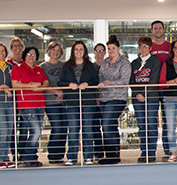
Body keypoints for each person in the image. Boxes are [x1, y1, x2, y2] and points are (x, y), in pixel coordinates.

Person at [59, 41, 101, 165]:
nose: (78, 51)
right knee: (73, 129)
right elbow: (60, 82)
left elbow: (96, 82)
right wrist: (69, 84)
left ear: (85, 51)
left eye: (81, 49)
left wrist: (87, 84)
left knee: (87, 129)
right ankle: (71, 157)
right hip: (71, 102)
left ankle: (88, 156)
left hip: (88, 101)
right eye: (76, 49)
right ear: (73, 51)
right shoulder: (66, 66)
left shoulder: (91, 66)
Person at [10, 47, 47, 167]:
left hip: (40, 104)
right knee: (36, 131)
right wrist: (29, 86)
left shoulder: (39, 69)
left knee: (34, 131)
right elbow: (14, 84)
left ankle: (31, 157)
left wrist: (40, 86)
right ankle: (28, 156)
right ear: (24, 56)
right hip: (26, 104)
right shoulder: (18, 68)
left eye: (34, 54)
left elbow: (46, 82)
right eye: (29, 54)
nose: (31, 56)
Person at [97, 35, 131, 164]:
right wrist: (102, 85)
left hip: (117, 98)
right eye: (109, 48)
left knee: (106, 124)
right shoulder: (105, 62)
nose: (111, 50)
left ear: (119, 48)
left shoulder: (124, 62)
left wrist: (108, 83)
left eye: (113, 48)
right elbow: (100, 77)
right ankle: (114, 154)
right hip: (104, 98)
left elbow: (124, 81)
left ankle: (112, 155)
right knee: (109, 125)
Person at [130, 36, 161, 163]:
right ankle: (144, 152)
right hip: (137, 99)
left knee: (151, 125)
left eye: (146, 46)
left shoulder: (155, 61)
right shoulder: (134, 63)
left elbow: (154, 80)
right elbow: (131, 81)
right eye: (141, 46)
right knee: (142, 126)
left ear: (150, 48)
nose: (143, 48)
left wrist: (144, 94)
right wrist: (137, 93)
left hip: (152, 98)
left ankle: (151, 152)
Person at [40, 41, 69, 165]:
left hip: (65, 101)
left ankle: (60, 155)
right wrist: (55, 91)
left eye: (58, 50)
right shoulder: (42, 67)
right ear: (49, 51)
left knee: (64, 128)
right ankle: (52, 154)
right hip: (51, 101)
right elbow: (42, 85)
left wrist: (62, 92)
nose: (56, 52)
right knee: (57, 127)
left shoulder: (65, 65)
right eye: (53, 50)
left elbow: (68, 81)